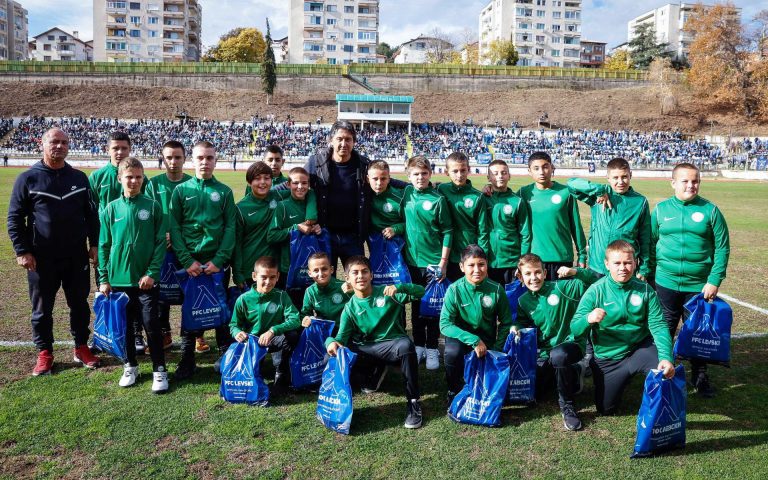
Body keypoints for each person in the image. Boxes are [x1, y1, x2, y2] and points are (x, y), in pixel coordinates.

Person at [7, 128, 101, 376]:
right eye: (54, 142)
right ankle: (45, 352)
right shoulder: (28, 178)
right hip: (41, 258)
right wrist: (22, 250)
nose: (59, 146)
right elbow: (14, 218)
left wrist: (94, 244)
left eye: (64, 142)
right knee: (42, 309)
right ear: (43, 144)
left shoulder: (79, 178)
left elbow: (91, 215)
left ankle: (81, 346)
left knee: (79, 304)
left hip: (76, 256)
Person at [650, 162, 730, 398]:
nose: (690, 185)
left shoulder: (711, 211)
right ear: (673, 183)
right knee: (665, 328)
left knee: (697, 332)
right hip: (665, 282)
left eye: (695, 181)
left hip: (698, 285)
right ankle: (663, 373)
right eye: (685, 181)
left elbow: (722, 248)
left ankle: (699, 375)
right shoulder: (661, 209)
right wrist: (651, 275)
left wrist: (714, 279)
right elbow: (650, 243)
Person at [571, 241, 675, 416]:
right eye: (617, 263)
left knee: (664, 372)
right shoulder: (595, 291)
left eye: (627, 263)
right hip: (609, 357)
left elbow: (658, 325)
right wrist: (588, 319)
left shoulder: (645, 290)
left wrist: (666, 356)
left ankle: (663, 409)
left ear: (635, 263)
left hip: (639, 350)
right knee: (606, 409)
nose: (623, 268)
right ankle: (619, 377)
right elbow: (575, 328)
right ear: (607, 264)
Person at [325, 255, 426, 429]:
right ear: (347, 278)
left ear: (371, 275)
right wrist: (330, 342)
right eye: (355, 273)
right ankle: (372, 375)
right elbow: (341, 338)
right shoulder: (350, 307)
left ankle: (413, 402)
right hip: (369, 349)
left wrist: (400, 287)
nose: (360, 276)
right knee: (335, 354)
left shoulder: (388, 293)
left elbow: (421, 292)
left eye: (364, 272)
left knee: (405, 345)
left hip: (393, 345)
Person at [98, 157, 168, 393]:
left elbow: (160, 243)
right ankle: (130, 366)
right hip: (119, 281)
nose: (134, 181)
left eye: (138, 177)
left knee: (151, 324)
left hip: (146, 281)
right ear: (120, 178)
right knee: (125, 327)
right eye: (129, 177)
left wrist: (151, 273)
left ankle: (160, 370)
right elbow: (104, 245)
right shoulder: (111, 209)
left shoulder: (153, 207)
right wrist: (103, 278)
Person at [169, 141, 237, 379]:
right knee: (190, 309)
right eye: (200, 158)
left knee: (220, 309)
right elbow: (174, 228)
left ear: (216, 161)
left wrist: (219, 260)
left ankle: (226, 357)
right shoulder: (181, 191)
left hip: (216, 265)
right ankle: (187, 360)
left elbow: (230, 228)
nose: (205, 162)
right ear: (192, 160)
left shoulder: (225, 192)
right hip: (191, 265)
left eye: (209, 158)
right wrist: (187, 260)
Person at [303, 121, 406, 270]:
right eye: (339, 139)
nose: (343, 143)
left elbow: (388, 180)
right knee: (326, 278)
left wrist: (418, 186)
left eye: (348, 139)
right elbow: (297, 181)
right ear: (331, 140)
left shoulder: (363, 164)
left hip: (354, 236)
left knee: (357, 276)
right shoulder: (316, 162)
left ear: (354, 142)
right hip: (324, 233)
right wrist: (275, 189)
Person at [513, 253, 598, 431]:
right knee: (536, 393)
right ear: (520, 277)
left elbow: (594, 281)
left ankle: (567, 406)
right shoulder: (523, 301)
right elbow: (522, 322)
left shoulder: (562, 288)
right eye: (528, 274)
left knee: (559, 355)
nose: (534, 277)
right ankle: (573, 374)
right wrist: (516, 327)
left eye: (537, 272)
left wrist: (575, 271)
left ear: (545, 273)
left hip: (571, 345)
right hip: (545, 353)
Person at [89, 131, 149, 353]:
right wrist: (94, 244)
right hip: (107, 245)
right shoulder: (97, 177)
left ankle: (136, 334)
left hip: (134, 247)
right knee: (105, 289)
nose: (120, 152)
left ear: (130, 149)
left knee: (134, 292)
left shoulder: (140, 176)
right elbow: (89, 213)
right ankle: (105, 333)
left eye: (124, 148)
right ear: (108, 150)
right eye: (115, 148)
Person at [440, 245, 512, 405]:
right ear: (462, 267)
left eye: (481, 264)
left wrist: (497, 349)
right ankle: (453, 389)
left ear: (487, 264)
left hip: (487, 344)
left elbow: (506, 323)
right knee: (452, 352)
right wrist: (474, 340)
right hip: (462, 340)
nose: (477, 270)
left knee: (489, 389)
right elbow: (445, 324)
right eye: (471, 265)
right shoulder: (454, 290)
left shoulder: (496, 289)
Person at [401, 155, 453, 370]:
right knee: (416, 305)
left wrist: (443, 262)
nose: (420, 177)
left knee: (432, 307)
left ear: (430, 174)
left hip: (433, 264)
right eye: (415, 174)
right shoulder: (406, 193)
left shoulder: (438, 199)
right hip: (412, 262)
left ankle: (432, 347)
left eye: (424, 173)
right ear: (409, 176)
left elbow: (448, 231)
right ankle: (419, 345)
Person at [567, 157, 651, 280]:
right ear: (608, 178)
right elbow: (571, 184)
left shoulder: (640, 201)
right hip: (597, 266)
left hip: (624, 268)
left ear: (630, 175)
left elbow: (645, 238)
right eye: (615, 178)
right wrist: (599, 190)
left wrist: (643, 268)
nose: (620, 182)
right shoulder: (599, 195)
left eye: (624, 177)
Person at [145, 140, 192, 351]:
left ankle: (195, 334)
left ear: (184, 158)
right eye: (169, 157)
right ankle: (165, 334)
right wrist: (162, 234)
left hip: (188, 247)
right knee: (161, 293)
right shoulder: (153, 184)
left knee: (189, 292)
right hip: (161, 247)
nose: (173, 161)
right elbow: (148, 215)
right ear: (162, 159)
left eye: (177, 157)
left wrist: (178, 236)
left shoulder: (192, 183)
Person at [230, 256, 301, 389]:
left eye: (272, 277)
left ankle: (281, 372)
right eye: (263, 277)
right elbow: (233, 325)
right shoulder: (243, 299)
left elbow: (295, 320)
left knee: (292, 335)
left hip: (273, 339)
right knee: (219, 367)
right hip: (252, 341)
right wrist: (237, 332)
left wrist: (273, 330)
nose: (268, 282)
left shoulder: (282, 296)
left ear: (278, 276)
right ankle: (258, 368)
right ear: (254, 276)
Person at [518, 151, 587, 280]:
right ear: (529, 171)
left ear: (552, 168)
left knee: (561, 293)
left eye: (545, 167)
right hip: (534, 260)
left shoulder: (566, 192)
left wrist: (582, 255)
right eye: (536, 168)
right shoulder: (523, 193)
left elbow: (576, 226)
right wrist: (489, 189)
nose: (541, 172)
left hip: (562, 258)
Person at [267, 167, 321, 308]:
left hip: (312, 267)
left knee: (309, 307)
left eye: (304, 183)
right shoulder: (282, 207)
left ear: (309, 185)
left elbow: (320, 229)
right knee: (291, 307)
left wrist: (318, 229)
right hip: (289, 268)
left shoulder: (314, 206)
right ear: (288, 184)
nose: (300, 186)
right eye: (296, 183)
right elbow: (271, 236)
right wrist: (295, 228)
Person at [436, 152, 491, 282]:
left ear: (468, 170)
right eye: (455, 171)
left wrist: (483, 258)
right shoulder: (440, 189)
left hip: (469, 254)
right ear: (446, 172)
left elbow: (483, 231)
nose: (459, 175)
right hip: (444, 253)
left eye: (463, 170)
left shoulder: (478, 196)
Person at [485, 160, 531, 284]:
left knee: (512, 296)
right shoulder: (483, 198)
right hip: (488, 261)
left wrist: (523, 262)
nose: (500, 176)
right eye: (495, 173)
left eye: (504, 173)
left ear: (509, 176)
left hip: (512, 261)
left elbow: (525, 234)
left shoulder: (517, 201)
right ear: (488, 177)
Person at [300, 252, 352, 334]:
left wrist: (354, 291)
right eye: (316, 270)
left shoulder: (344, 287)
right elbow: (305, 314)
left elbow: (361, 303)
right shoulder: (310, 291)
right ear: (310, 273)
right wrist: (307, 319)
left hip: (345, 330)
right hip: (323, 331)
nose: (320, 274)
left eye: (324, 269)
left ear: (331, 270)